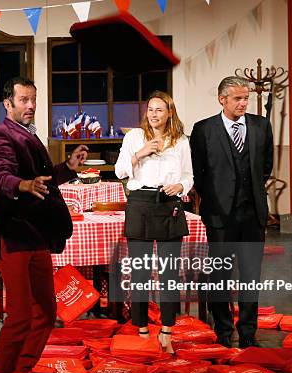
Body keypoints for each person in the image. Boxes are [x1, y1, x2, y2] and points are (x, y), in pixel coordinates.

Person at [0, 76, 87, 373]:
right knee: (20, 315)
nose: (30, 105)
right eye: (24, 100)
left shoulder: (31, 135)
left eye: (33, 99)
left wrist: (68, 168)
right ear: (8, 104)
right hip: (15, 234)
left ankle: (21, 369)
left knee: (46, 308)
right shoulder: (0, 135)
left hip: (38, 235)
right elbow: (1, 175)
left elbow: (44, 178)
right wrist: (22, 185)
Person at [190, 76, 273, 349]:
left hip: (253, 214)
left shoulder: (261, 126)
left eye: (246, 98)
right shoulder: (203, 130)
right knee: (220, 276)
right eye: (238, 98)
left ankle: (248, 332)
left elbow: (266, 167)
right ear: (222, 99)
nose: (243, 103)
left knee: (251, 275)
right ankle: (223, 331)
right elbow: (198, 173)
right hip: (219, 216)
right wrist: (216, 198)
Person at [115, 91, 193, 353]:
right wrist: (140, 153)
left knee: (170, 274)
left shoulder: (180, 140)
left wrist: (181, 185)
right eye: (150, 109)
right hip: (140, 204)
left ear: (169, 112)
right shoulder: (134, 137)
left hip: (168, 205)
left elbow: (189, 175)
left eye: (159, 110)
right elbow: (120, 171)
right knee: (140, 273)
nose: (154, 114)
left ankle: (167, 332)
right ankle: (142, 330)